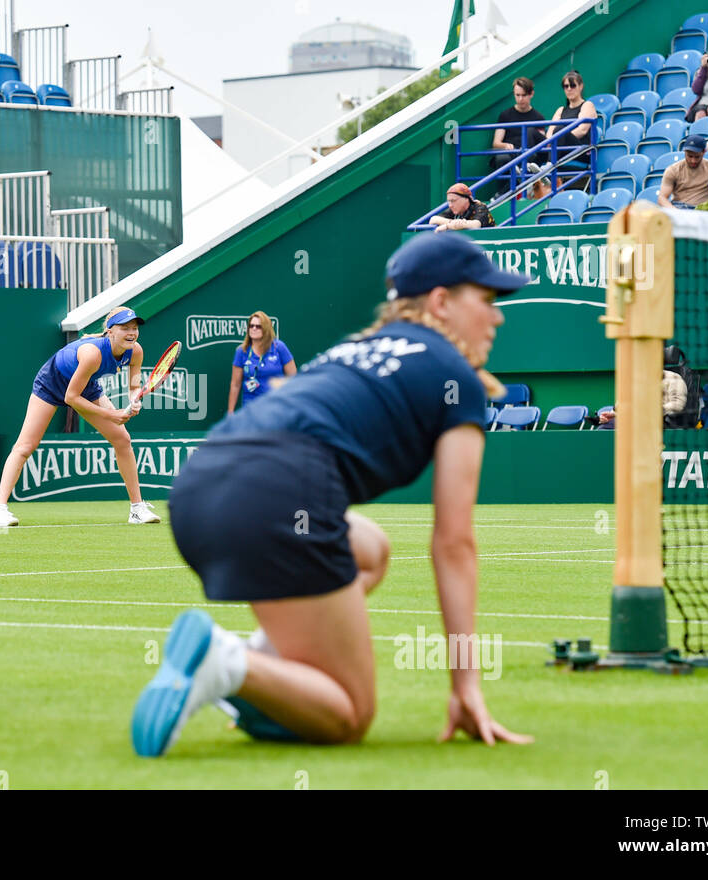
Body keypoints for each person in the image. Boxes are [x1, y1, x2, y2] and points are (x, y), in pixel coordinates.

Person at [129, 233, 535, 756]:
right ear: (440, 302)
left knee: (371, 552)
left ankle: (263, 664)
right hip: (276, 498)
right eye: (486, 299)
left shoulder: (353, 347)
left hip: (196, 490)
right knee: (349, 717)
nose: (497, 316)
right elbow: (453, 543)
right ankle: (224, 662)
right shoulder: (459, 380)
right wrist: (464, 685)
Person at [0, 307, 160, 528]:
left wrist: (135, 399)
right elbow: (71, 397)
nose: (131, 332)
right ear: (110, 332)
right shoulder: (92, 354)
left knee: (122, 439)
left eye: (134, 328)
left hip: (85, 384)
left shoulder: (135, 351)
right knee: (25, 446)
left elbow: (134, 386)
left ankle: (137, 509)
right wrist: (111, 413)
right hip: (52, 384)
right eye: (125, 328)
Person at [226, 311, 295, 414]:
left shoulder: (279, 347)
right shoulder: (242, 351)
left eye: (258, 326)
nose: (254, 328)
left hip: (276, 406)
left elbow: (293, 378)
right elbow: (235, 384)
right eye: (251, 326)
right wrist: (230, 412)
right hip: (251, 408)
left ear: (266, 329)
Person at [547, 70, 597, 188]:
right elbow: (549, 132)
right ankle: (526, 169)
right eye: (566, 86)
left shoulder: (587, 105)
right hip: (560, 148)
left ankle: (548, 167)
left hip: (580, 150)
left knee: (560, 130)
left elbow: (582, 130)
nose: (569, 89)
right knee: (530, 132)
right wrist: (553, 140)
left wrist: (561, 137)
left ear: (580, 86)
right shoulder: (560, 110)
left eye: (573, 85)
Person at [489, 77, 545, 182]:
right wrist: (505, 145)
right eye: (517, 95)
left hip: (530, 155)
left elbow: (541, 144)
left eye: (523, 95)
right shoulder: (505, 115)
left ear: (531, 94)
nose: (520, 99)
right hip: (511, 153)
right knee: (502, 158)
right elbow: (496, 143)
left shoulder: (538, 117)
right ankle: (502, 195)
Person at [429, 183, 493, 231]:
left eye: (453, 201)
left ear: (466, 199)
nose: (450, 205)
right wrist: (453, 223)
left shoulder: (480, 206)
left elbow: (475, 225)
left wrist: (447, 226)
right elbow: (433, 219)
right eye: (449, 201)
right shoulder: (455, 210)